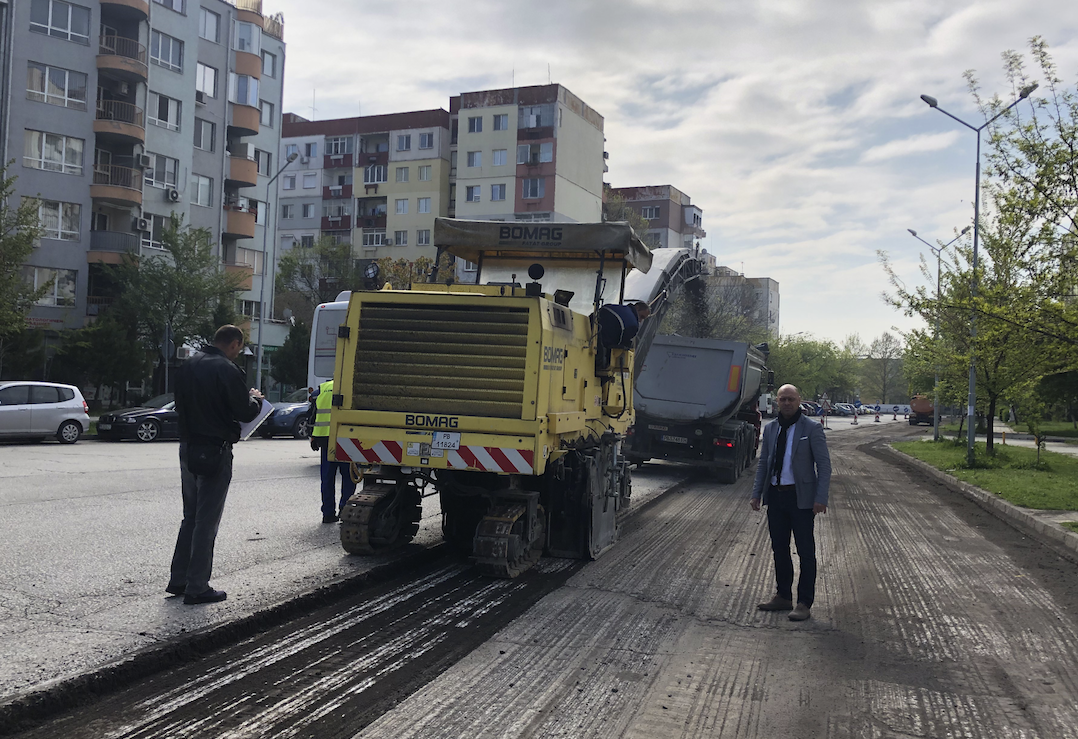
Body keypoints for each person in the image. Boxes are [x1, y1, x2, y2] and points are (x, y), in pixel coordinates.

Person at [168, 325, 263, 605]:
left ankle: (179, 579)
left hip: (188, 447)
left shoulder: (188, 365)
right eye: (239, 348)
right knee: (207, 521)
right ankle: (198, 586)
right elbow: (243, 410)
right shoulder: (226, 369)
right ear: (234, 344)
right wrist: (256, 400)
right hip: (215, 449)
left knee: (191, 517)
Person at [750, 383, 831, 621]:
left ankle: (804, 602)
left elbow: (824, 466)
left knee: (806, 551)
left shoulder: (812, 429)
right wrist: (757, 493)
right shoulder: (772, 428)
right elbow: (764, 463)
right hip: (776, 495)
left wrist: (820, 498)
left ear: (799, 401)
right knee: (779, 549)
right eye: (782, 399)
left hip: (801, 498)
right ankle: (783, 596)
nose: (786, 403)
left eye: (791, 399)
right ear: (777, 401)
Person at [310, 379, 356, 523]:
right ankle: (345, 510)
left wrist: (313, 437)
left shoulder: (322, 389)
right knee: (349, 476)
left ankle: (328, 513)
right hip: (346, 439)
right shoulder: (351, 387)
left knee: (327, 478)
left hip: (325, 439)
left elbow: (312, 414)